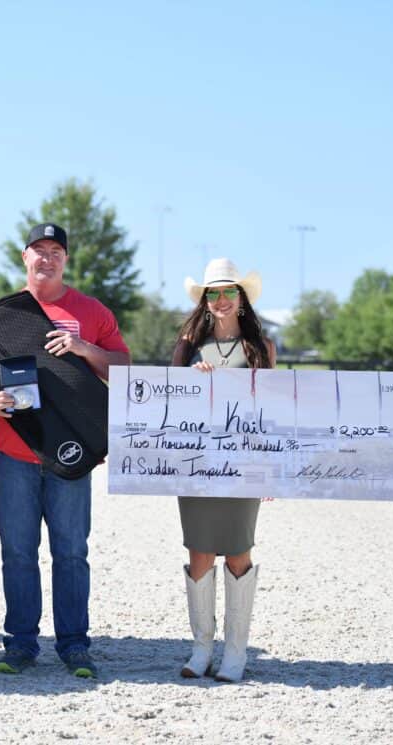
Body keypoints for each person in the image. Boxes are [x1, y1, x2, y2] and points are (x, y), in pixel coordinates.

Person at [0, 223, 130, 678]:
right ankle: (20, 644)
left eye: (56, 251)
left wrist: (83, 347)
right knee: (17, 552)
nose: (47, 258)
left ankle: (75, 646)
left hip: (71, 455)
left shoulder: (91, 311)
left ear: (66, 260)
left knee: (72, 551)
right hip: (15, 452)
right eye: (40, 250)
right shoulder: (1, 315)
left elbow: (124, 369)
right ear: (25, 257)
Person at [171, 257, 276, 683]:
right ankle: (201, 650)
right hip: (197, 464)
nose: (221, 300)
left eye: (228, 291)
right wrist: (190, 380)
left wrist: (268, 469)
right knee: (198, 553)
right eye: (213, 293)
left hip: (242, 466)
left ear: (242, 298)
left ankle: (235, 653)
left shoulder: (261, 349)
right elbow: (168, 406)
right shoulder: (186, 346)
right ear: (205, 301)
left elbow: (272, 413)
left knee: (237, 552)